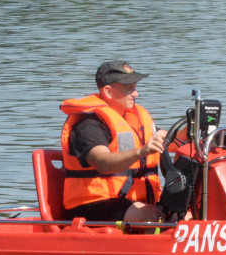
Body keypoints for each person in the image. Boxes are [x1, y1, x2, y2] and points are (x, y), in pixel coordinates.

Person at [60, 61, 167, 223]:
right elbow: (103, 162)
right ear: (108, 92)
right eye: (129, 88)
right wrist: (142, 152)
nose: (136, 94)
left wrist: (193, 133)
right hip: (91, 206)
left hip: (128, 202)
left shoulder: (133, 118)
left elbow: (170, 138)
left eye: (135, 87)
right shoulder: (87, 125)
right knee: (151, 215)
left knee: (182, 214)